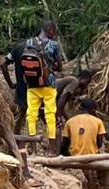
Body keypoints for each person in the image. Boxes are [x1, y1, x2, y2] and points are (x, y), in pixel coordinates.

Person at [22, 20, 64, 156]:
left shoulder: (29, 42)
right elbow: (60, 66)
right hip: (48, 84)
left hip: (32, 84)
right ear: (50, 30)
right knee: (50, 115)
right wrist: (51, 67)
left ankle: (33, 150)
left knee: (31, 115)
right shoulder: (53, 45)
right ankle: (51, 150)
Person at [0, 41, 28, 135]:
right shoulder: (43, 47)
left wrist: (11, 84)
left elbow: (3, 64)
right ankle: (33, 144)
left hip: (22, 88)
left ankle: (16, 141)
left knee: (20, 116)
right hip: (39, 89)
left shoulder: (18, 47)